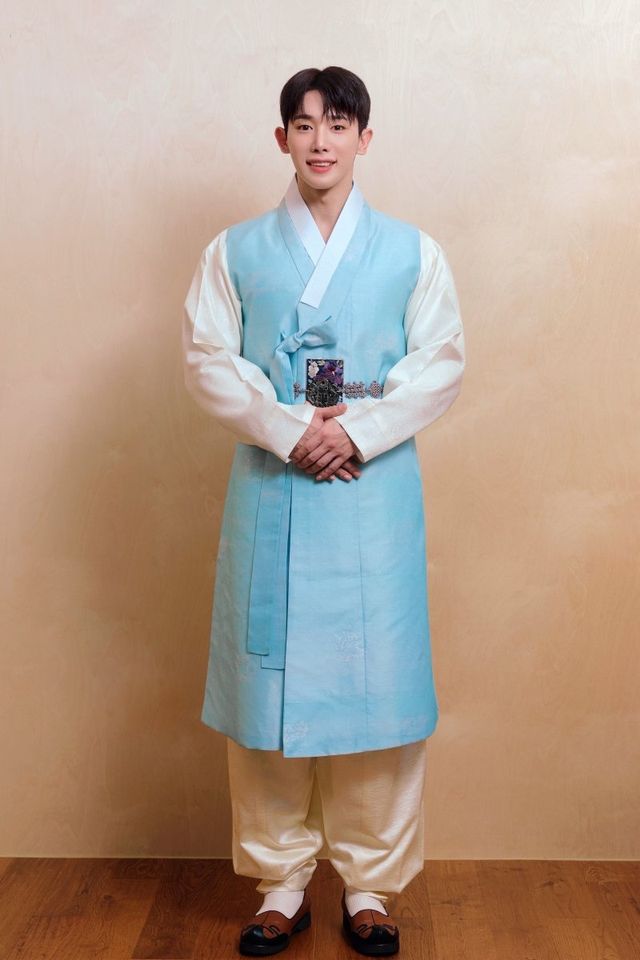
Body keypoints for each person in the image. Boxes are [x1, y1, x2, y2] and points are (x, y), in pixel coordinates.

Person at [182, 65, 465, 957]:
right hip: (275, 487)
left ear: (364, 139)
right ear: (282, 139)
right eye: (303, 125)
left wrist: (359, 432)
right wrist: (291, 428)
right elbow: (207, 358)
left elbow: (441, 361)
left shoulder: (413, 252)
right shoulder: (234, 251)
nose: (320, 141)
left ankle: (370, 887)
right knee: (267, 694)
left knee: (377, 690)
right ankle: (281, 883)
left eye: (338, 124)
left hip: (369, 495)